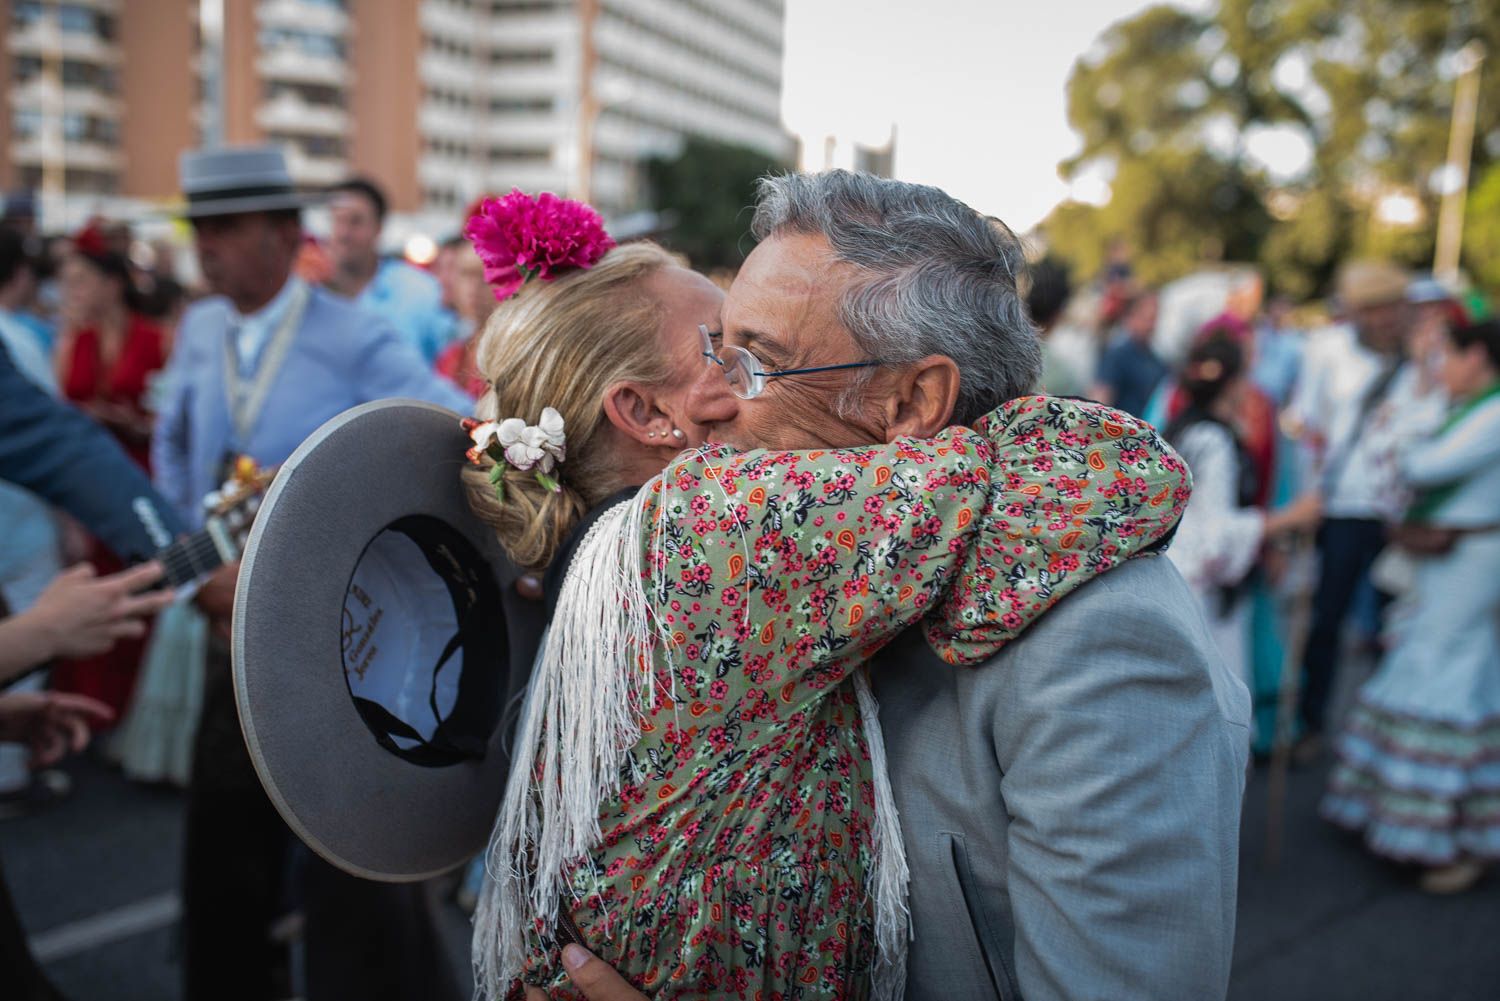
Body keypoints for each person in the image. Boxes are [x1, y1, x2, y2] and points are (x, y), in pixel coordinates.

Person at [460, 190, 1191, 1000]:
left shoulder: (1099, 640)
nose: (728, 395)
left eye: (752, 357)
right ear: (638, 410)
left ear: (910, 402)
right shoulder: (716, 528)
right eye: (716, 350)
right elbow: (1116, 470)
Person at [157, 146, 470, 1001]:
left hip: (330, 638)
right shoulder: (200, 326)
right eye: (198, 226)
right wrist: (193, 570)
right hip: (225, 628)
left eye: (226, 227)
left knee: (353, 862)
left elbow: (448, 431)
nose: (206, 245)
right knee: (223, 852)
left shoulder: (354, 330)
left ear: (285, 233)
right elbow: (171, 449)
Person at [1322, 317, 1500, 894]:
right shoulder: (1473, 408)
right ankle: (1434, 824)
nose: (1443, 368)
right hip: (1451, 557)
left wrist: (1404, 425)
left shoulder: (1493, 413)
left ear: (1478, 357)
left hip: (1471, 558)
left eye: (1449, 356)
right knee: (1442, 669)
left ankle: (1449, 834)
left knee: (1448, 677)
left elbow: (1423, 465)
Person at [1285, 261, 1446, 754]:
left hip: (1399, 510)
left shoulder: (1423, 355)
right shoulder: (1327, 349)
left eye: (1391, 309)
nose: (1384, 319)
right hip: (1341, 505)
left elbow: (1432, 421)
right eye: (1373, 310)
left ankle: (1385, 728)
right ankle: (1311, 722)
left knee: (1395, 621)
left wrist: (1423, 368)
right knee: (1327, 620)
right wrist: (1309, 485)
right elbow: (1305, 421)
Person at [49, 219, 170, 723]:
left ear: (112, 283)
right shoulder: (71, 340)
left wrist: (135, 424)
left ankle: (126, 712)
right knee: (90, 596)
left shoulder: (156, 337)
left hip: (138, 478)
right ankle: (84, 711)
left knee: (137, 593)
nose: (72, 292)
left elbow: (171, 421)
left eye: (81, 280)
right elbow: (57, 421)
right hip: (85, 487)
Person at [1165, 334, 1322, 706]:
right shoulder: (1213, 441)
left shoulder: (1181, 429)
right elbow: (1215, 536)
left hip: (1178, 584)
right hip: (1201, 593)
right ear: (1235, 384)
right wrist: (1289, 519)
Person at [323, 176, 454, 364]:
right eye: (337, 220)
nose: (343, 233)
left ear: (378, 228)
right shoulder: (308, 289)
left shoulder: (419, 292)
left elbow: (453, 356)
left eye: (355, 222)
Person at [1092, 288, 1167, 418]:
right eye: (1148, 319)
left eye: (1155, 319)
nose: (1152, 326)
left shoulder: (1156, 359)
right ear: (1131, 318)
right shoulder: (1118, 355)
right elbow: (1101, 398)